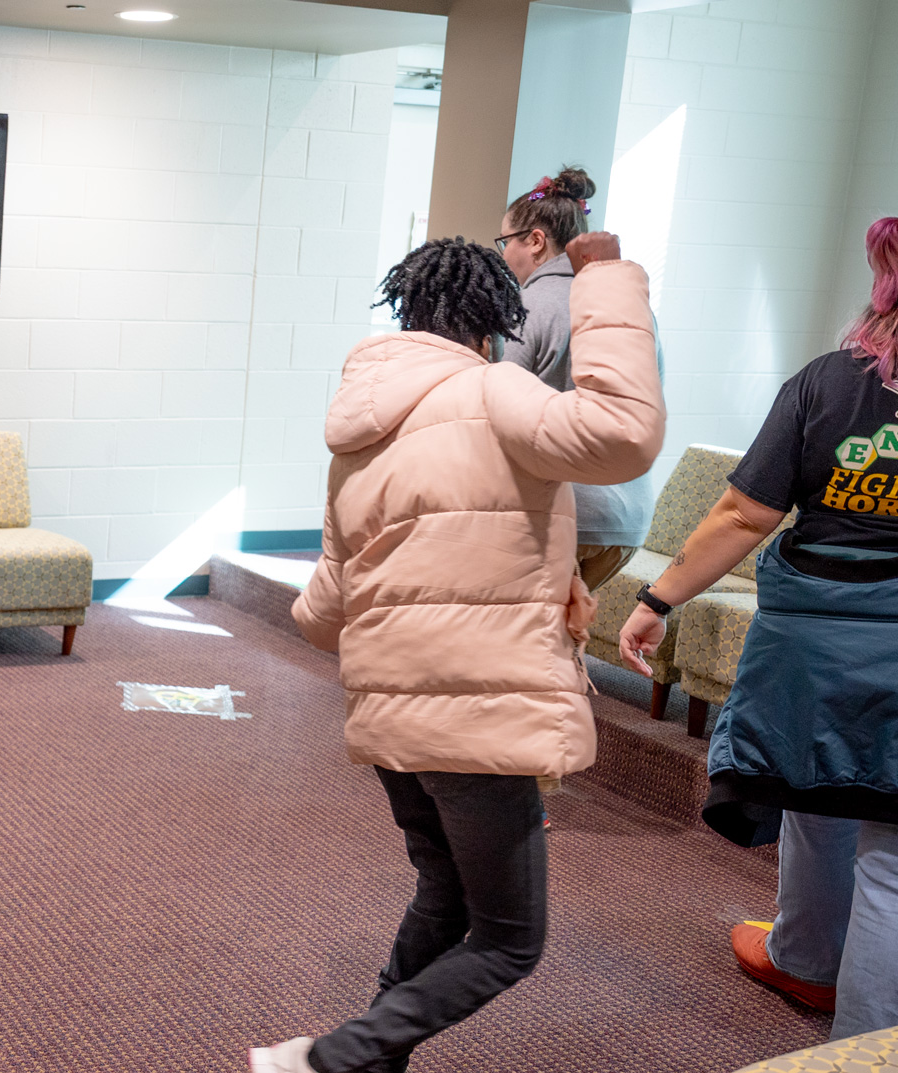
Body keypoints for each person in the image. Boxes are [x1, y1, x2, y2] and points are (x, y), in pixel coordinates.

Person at [617, 209, 898, 1039]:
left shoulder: (827, 381)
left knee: (818, 793)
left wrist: (657, 601)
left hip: (820, 653)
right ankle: (858, 1028)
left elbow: (742, 513)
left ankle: (811, 960)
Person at [254, 232, 663, 1073]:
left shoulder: (359, 434)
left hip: (395, 714)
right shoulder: (494, 391)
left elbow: (324, 609)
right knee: (511, 939)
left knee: (444, 892)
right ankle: (325, 1061)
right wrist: (605, 279)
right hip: (479, 712)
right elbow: (624, 434)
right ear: (492, 324)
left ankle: (368, 1065)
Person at [497, 166, 658, 593]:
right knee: (563, 637)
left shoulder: (527, 305)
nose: (503, 255)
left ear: (534, 240)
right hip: (626, 521)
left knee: (523, 644)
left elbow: (495, 407)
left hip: (560, 515)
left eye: (505, 241)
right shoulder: (633, 309)